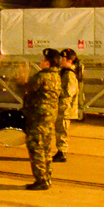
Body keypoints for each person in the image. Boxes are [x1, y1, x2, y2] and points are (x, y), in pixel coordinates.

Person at [20, 48, 61, 190]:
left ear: (48, 63)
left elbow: (27, 90)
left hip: (37, 117)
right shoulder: (57, 76)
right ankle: (47, 177)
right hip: (49, 117)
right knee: (46, 148)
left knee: (36, 147)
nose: (41, 62)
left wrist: (21, 81)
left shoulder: (41, 76)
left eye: (43, 60)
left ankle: (41, 180)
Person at [53, 48, 80, 163]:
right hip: (62, 107)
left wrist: (55, 91)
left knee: (62, 131)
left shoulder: (69, 75)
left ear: (70, 61)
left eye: (64, 59)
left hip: (65, 108)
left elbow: (68, 92)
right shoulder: (64, 72)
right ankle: (60, 151)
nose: (61, 61)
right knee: (59, 129)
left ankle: (62, 151)